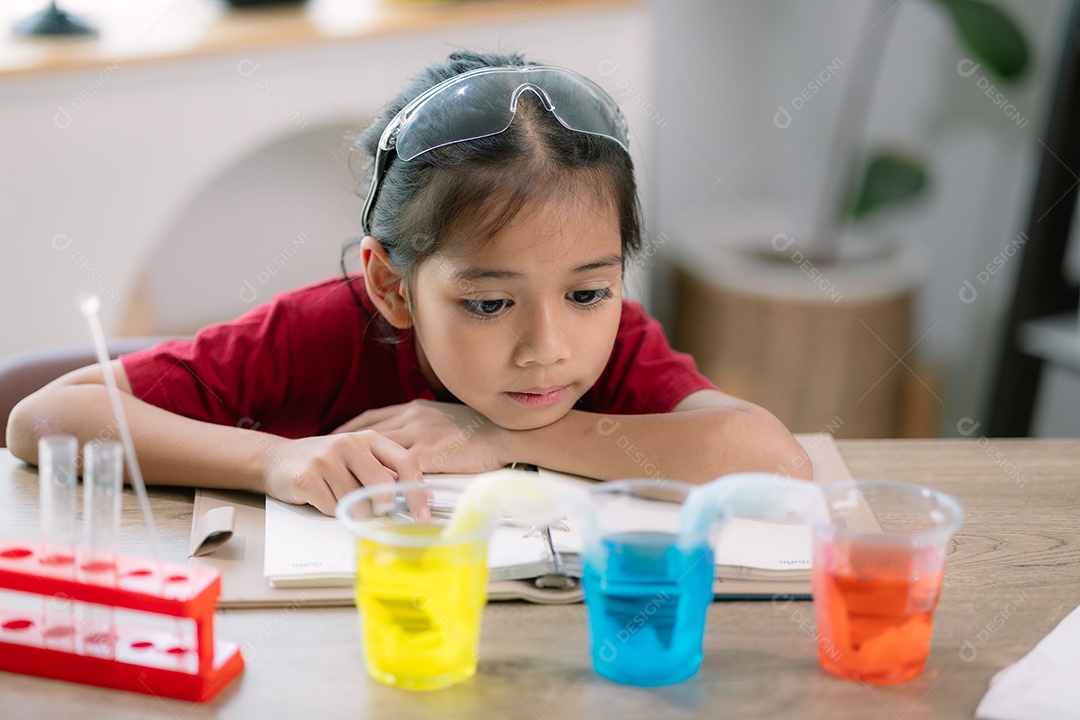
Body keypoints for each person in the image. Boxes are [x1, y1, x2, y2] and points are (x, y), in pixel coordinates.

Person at [7, 50, 811, 517]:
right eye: (489, 303)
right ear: (391, 286)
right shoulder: (323, 331)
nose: (548, 349)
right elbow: (45, 418)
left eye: (587, 292)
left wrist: (499, 439)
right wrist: (276, 464)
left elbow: (776, 465)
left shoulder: (619, 344)